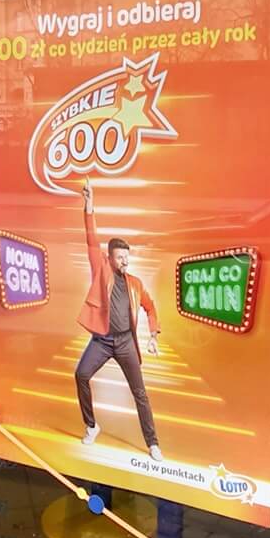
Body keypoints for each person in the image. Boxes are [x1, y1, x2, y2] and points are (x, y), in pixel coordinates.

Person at [73, 181, 164, 461]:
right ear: (110, 258)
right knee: (81, 375)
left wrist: (153, 336)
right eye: (120, 257)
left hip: (125, 343)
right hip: (102, 341)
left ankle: (153, 443)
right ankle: (92, 426)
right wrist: (90, 206)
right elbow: (91, 238)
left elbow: (150, 308)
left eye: (127, 257)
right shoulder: (101, 269)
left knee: (140, 393)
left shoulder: (135, 284)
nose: (125, 261)